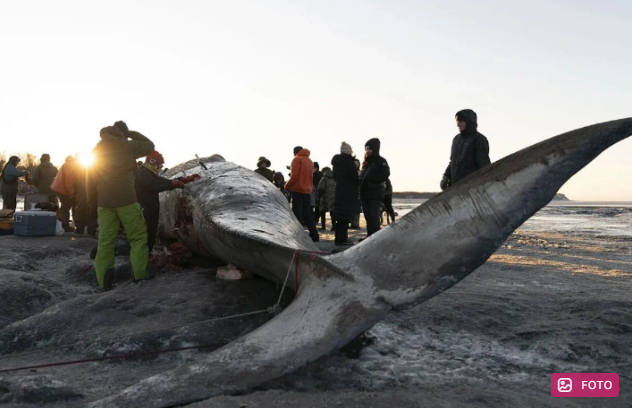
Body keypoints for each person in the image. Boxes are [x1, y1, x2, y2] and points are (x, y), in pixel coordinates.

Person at [91, 121, 155, 290]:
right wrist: (133, 134)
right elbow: (150, 146)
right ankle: (140, 274)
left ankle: (103, 281)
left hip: (104, 201)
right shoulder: (128, 146)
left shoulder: (97, 149)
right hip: (126, 199)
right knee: (137, 237)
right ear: (123, 133)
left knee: (105, 241)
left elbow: (91, 173)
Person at [135, 150, 199, 253]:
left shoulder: (149, 173)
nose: (161, 166)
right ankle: (140, 260)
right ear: (152, 162)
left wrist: (185, 179)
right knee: (145, 235)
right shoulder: (143, 173)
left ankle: (144, 257)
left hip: (149, 210)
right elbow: (154, 184)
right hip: (144, 210)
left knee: (150, 234)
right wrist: (174, 184)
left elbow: (163, 181)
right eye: (159, 163)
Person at [441, 109, 491, 190]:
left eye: (461, 121)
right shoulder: (456, 140)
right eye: (457, 121)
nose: (458, 124)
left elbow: (484, 165)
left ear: (469, 121)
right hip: (455, 186)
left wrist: (485, 185)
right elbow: (453, 161)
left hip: (472, 188)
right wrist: (446, 176)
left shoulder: (479, 139)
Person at [285, 146, 319, 242]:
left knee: (297, 213)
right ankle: (314, 235)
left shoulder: (296, 160)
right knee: (307, 213)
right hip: (307, 190)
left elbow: (294, 176)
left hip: (298, 190)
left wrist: (286, 186)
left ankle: (298, 235)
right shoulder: (309, 161)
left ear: (295, 152)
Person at [359, 138, 390, 237]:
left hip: (375, 192)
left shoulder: (380, 161)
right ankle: (370, 236)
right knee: (368, 216)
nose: (367, 151)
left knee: (373, 216)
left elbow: (385, 174)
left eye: (369, 148)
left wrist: (372, 181)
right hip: (365, 193)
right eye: (366, 148)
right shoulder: (366, 163)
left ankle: (376, 236)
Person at [331, 142, 359, 245]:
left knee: (340, 216)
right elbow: (354, 178)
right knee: (345, 216)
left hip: (339, 190)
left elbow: (335, 177)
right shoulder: (349, 162)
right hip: (348, 191)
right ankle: (342, 239)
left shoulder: (336, 163)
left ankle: (339, 238)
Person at [72, 158, 97, 236]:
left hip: (82, 191)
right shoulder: (96, 168)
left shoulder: (77, 169)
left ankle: (79, 229)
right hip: (94, 191)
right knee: (92, 211)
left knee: (80, 209)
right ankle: (92, 230)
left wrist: (76, 191)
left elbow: (74, 182)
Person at [54, 156, 78, 232]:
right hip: (63, 188)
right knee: (66, 205)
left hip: (58, 187)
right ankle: (65, 225)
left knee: (65, 205)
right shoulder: (70, 165)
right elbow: (69, 180)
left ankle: (60, 221)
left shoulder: (66, 164)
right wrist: (72, 192)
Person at [316, 166, 335, 231]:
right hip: (333, 197)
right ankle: (334, 226)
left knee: (322, 212)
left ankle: (323, 226)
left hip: (324, 197)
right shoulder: (335, 178)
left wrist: (318, 196)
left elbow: (320, 188)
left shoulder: (324, 178)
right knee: (332, 212)